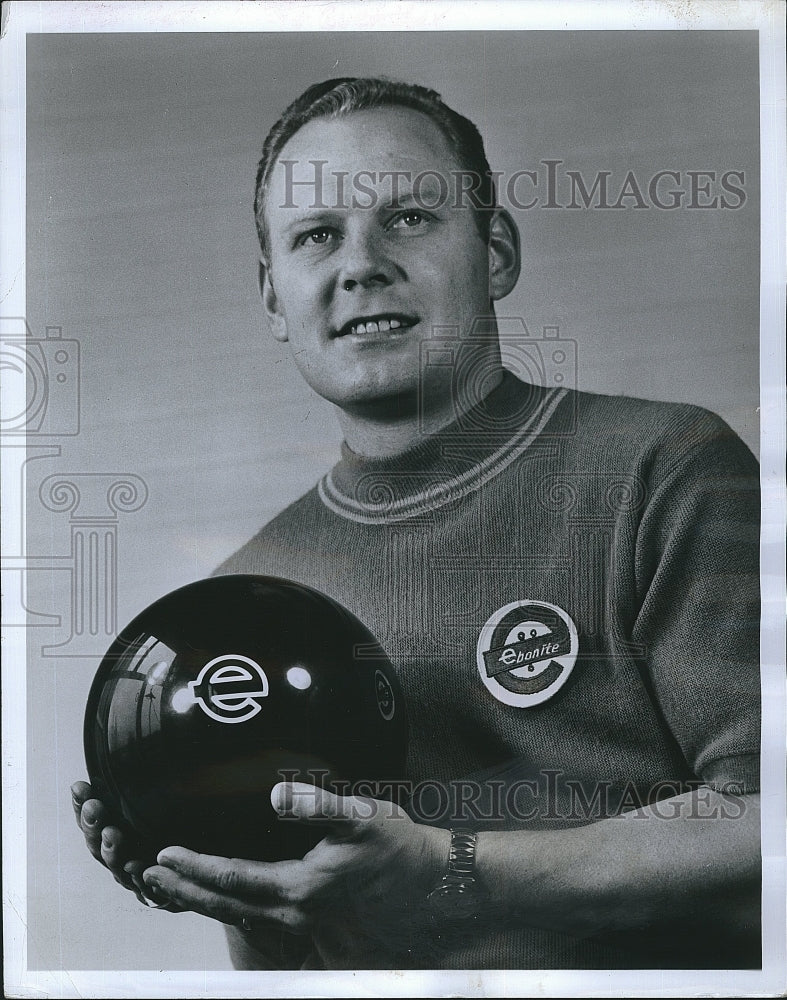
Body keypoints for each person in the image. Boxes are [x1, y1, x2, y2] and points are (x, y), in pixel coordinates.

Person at [72, 77, 761, 971]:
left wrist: (453, 870)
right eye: (317, 235)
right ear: (275, 297)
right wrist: (216, 875)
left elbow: (765, 818)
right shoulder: (241, 604)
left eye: (406, 218)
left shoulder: (662, 467)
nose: (360, 264)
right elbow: (300, 948)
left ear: (496, 251)